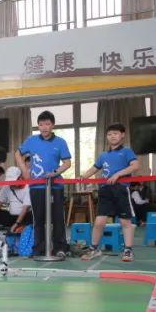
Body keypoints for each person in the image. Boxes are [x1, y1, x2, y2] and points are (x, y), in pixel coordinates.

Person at [80, 123, 139, 263]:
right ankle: (94, 249)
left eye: (116, 133)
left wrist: (118, 174)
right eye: (109, 134)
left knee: (125, 221)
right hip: (105, 190)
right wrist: (83, 177)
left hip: (121, 189)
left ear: (122, 135)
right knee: (99, 222)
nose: (112, 136)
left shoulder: (127, 151)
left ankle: (128, 250)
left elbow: (135, 165)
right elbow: (94, 168)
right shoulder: (103, 155)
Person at [18, 110, 71, 257]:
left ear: (52, 125)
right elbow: (18, 153)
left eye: (47, 124)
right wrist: (24, 170)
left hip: (55, 186)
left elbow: (67, 163)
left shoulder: (60, 142)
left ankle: (60, 248)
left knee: (57, 218)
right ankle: (39, 249)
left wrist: (55, 172)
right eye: (41, 125)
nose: (44, 127)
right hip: (36, 186)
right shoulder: (31, 140)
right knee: (38, 219)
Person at [0, 166, 31, 235]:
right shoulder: (7, 187)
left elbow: (25, 209)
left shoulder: (27, 187)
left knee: (30, 217)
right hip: (11, 216)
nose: (11, 184)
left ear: (20, 178)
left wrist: (16, 223)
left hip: (25, 216)